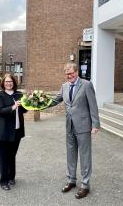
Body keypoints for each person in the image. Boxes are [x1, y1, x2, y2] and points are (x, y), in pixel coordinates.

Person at [50, 62, 100, 199]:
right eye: (67, 74)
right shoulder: (64, 86)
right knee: (70, 154)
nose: (69, 76)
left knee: (85, 155)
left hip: (84, 126)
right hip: (69, 126)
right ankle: (71, 180)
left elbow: (93, 105)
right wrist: (39, 104)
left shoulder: (86, 85)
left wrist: (95, 124)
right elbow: (55, 100)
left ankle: (85, 185)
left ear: (77, 72)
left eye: (71, 73)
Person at [0, 73, 27, 190]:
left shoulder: (19, 94)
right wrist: (13, 107)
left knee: (12, 155)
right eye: (7, 82)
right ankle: (3, 181)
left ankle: (11, 177)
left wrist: (29, 102)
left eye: (11, 81)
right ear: (3, 83)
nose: (9, 83)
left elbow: (24, 110)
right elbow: (0, 111)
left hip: (16, 131)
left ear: (14, 83)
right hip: (3, 132)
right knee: (3, 157)